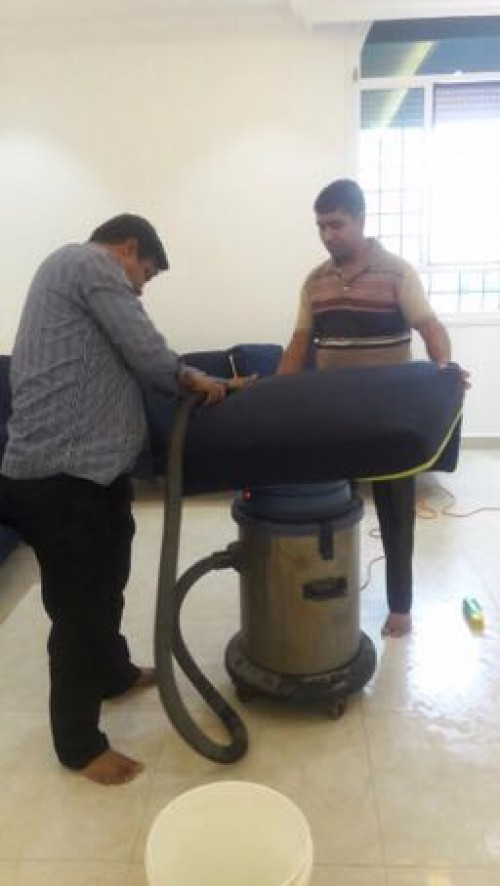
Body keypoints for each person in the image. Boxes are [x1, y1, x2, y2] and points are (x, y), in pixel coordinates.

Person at [0, 214, 253, 785]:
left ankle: (112, 673)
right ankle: (78, 746)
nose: (140, 289)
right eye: (146, 274)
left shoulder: (75, 279)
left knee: (109, 577)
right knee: (80, 610)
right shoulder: (87, 261)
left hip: (94, 475)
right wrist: (192, 378)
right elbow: (147, 351)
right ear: (128, 248)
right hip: (59, 476)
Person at [277, 179, 455, 639]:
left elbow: (429, 326)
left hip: (389, 422)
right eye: (320, 226)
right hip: (334, 420)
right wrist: (276, 394)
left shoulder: (397, 273)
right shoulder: (314, 282)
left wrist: (445, 370)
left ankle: (400, 608)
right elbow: (299, 343)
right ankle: (332, 593)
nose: (327, 235)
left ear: (360, 220)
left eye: (336, 225)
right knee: (330, 513)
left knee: (396, 517)